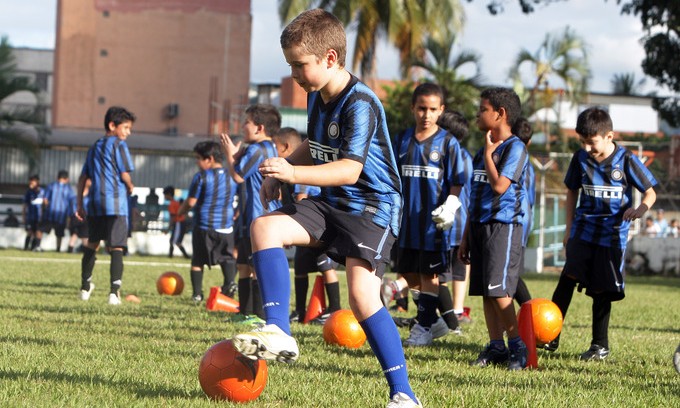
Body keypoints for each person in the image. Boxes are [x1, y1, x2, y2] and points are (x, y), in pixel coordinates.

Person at [228, 10, 421, 407]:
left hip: (372, 208)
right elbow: (314, 145)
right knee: (264, 228)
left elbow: (350, 170)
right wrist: (282, 171)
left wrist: (293, 172)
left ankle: (404, 394)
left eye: (299, 65)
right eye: (290, 65)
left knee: (362, 298)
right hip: (332, 202)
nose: (294, 74)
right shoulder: (316, 94)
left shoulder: (361, 103)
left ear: (330, 58)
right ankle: (279, 330)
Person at [544, 107, 657, 361]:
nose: (587, 147)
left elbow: (650, 192)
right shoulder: (580, 159)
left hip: (611, 236)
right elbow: (571, 191)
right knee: (567, 278)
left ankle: (599, 345)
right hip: (583, 230)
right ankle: (550, 334)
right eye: (582, 142)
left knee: (601, 290)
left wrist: (640, 209)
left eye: (592, 142)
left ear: (609, 136)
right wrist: (569, 228)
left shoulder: (626, 160)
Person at [458, 87, 529, 371]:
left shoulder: (515, 148)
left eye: (482, 109)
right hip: (479, 226)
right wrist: (466, 237)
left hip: (503, 226)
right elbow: (475, 197)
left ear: (500, 114)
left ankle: (518, 346)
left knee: (499, 291)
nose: (477, 114)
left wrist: (489, 154)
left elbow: (500, 186)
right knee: (486, 292)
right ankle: (496, 346)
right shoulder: (482, 151)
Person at [392, 83, 465, 347]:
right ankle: (433, 320)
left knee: (430, 276)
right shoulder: (401, 140)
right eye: (422, 108)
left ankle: (423, 327)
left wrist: (451, 204)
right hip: (406, 223)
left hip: (433, 225)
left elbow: (457, 180)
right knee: (410, 274)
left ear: (441, 110)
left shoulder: (448, 143)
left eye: (433, 109)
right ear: (413, 108)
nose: (426, 114)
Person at [271, 127, 342, 325]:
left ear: (286, 147)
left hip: (317, 227)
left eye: (275, 147)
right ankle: (300, 311)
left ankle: (334, 309)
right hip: (307, 227)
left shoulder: (302, 171)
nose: (274, 152)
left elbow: (301, 199)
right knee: (300, 267)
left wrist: (290, 228)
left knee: (325, 266)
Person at [220, 103, 281, 325]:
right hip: (250, 214)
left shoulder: (258, 150)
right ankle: (245, 311)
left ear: (259, 128)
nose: (242, 126)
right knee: (244, 265)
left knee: (255, 267)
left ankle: (257, 314)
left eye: (246, 122)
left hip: (257, 215)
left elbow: (238, 176)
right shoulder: (265, 147)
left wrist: (229, 155)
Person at [76, 106, 136, 305]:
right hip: (116, 204)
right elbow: (124, 173)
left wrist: (79, 203)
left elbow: (83, 178)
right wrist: (130, 185)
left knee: (92, 244)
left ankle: (85, 287)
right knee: (116, 246)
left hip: (95, 204)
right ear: (112, 126)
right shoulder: (119, 145)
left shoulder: (94, 147)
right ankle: (113, 293)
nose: (128, 132)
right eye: (125, 127)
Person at [178, 141, 238, 303]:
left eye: (198, 158)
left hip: (204, 226)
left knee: (198, 260)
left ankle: (197, 295)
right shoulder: (233, 176)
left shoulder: (201, 176)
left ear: (209, 159)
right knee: (227, 258)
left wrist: (180, 211)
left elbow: (191, 202)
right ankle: (229, 286)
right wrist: (237, 213)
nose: (197, 162)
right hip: (226, 227)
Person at [437, 109, 474, 325]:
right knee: (460, 267)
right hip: (461, 222)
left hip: (448, 221)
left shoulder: (447, 154)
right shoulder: (467, 156)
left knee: (442, 270)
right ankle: (457, 310)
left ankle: (448, 312)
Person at [511, 117, 534, 305]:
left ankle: (531, 311)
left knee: (511, 273)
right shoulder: (530, 166)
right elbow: (531, 199)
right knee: (510, 273)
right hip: (524, 219)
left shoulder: (515, 160)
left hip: (514, 221)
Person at [40, 170, 76, 252]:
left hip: (49, 214)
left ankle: (37, 245)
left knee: (41, 230)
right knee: (59, 234)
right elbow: (72, 202)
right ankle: (58, 249)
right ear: (67, 179)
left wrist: (43, 209)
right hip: (61, 215)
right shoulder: (69, 189)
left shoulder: (51, 186)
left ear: (57, 177)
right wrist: (70, 215)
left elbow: (45, 200)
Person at [164, 185, 190, 259]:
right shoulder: (175, 202)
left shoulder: (172, 204)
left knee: (176, 242)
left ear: (169, 194)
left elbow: (173, 217)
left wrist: (168, 228)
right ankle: (171, 256)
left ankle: (185, 256)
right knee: (173, 241)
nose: (164, 196)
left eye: (165, 195)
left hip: (179, 223)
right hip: (179, 223)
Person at [67, 180, 89, 253]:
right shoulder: (88, 198)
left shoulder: (74, 198)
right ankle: (87, 251)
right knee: (84, 235)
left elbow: (70, 210)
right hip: (83, 218)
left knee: (75, 234)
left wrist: (69, 219)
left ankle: (70, 250)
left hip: (76, 218)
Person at [22, 175, 44, 251]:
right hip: (30, 216)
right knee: (30, 232)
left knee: (38, 232)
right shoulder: (28, 192)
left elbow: (45, 203)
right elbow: (25, 206)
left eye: (33, 182)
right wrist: (24, 216)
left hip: (39, 217)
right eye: (30, 182)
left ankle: (35, 247)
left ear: (37, 182)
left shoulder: (42, 192)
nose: (31, 183)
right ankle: (26, 247)